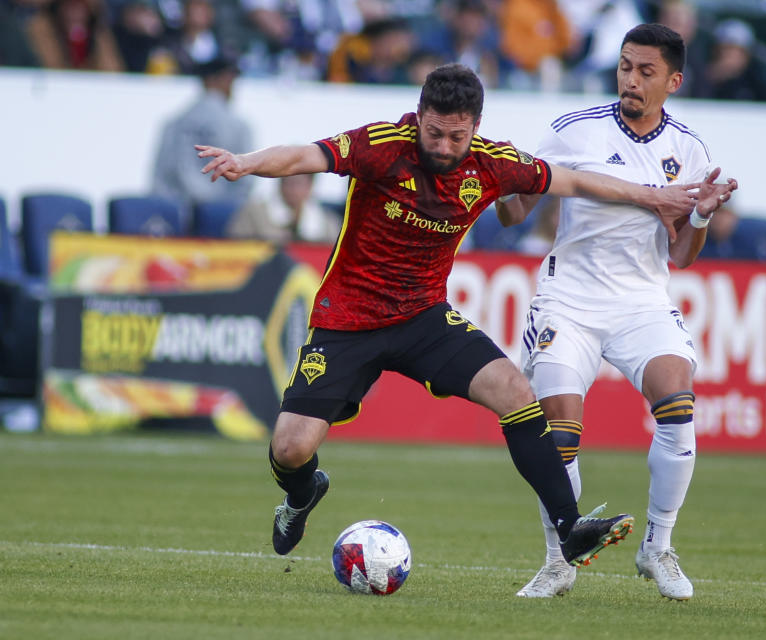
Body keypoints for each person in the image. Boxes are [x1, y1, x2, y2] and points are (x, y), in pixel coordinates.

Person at [196, 63, 703, 572]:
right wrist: (246, 162)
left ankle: (569, 530)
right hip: (348, 318)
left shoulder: (492, 163)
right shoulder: (382, 145)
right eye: (434, 133)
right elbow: (307, 155)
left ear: (474, 128)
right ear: (419, 118)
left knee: (515, 391)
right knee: (290, 448)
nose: (442, 146)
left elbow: (570, 181)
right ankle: (302, 495)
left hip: (423, 318)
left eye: (456, 136)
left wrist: (653, 196)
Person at [496, 24, 737, 600]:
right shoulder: (573, 131)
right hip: (569, 299)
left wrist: (700, 217)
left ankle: (658, 547)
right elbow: (511, 216)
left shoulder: (690, 150)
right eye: (625, 66)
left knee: (678, 400)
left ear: (673, 81)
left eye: (645, 71)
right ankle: (559, 561)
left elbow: (679, 254)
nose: (631, 79)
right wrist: (512, 187)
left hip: (640, 300)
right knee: (560, 428)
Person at [152, 53, 252, 209]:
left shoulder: (174, 123)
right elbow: (246, 177)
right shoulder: (239, 126)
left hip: (177, 212)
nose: (232, 86)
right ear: (213, 80)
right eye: (229, 78)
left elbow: (160, 178)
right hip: (222, 215)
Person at [227, 173, 343, 243]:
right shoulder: (253, 212)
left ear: (310, 186)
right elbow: (235, 246)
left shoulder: (328, 222)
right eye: (289, 182)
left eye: (299, 184)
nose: (293, 189)